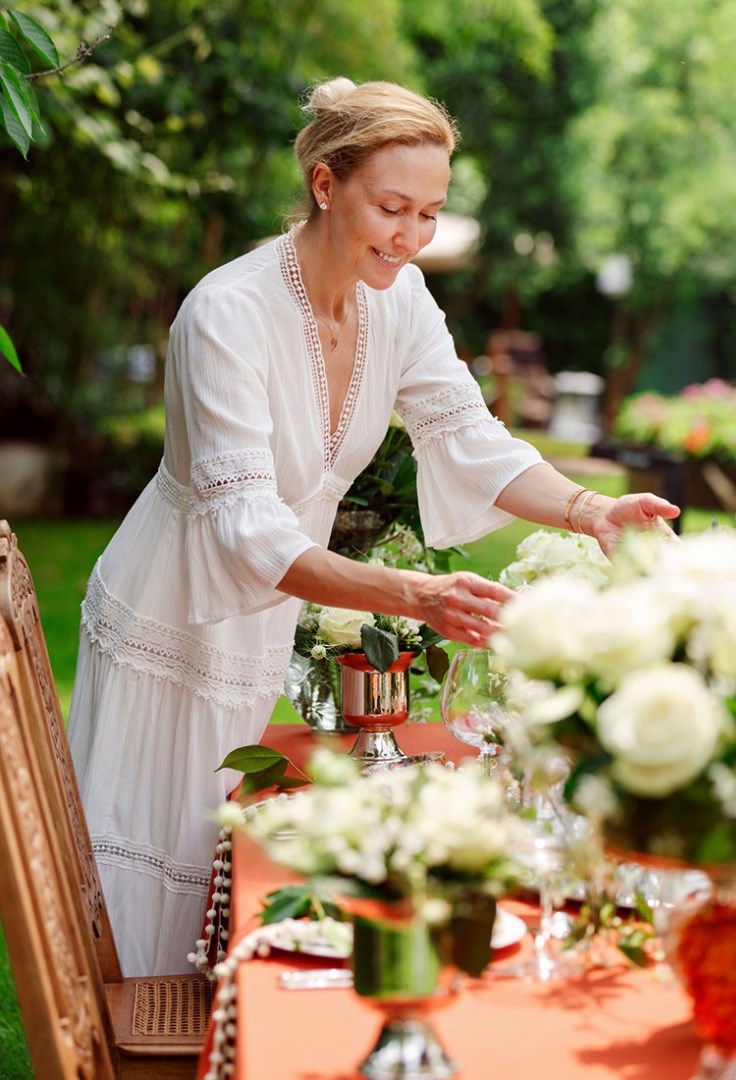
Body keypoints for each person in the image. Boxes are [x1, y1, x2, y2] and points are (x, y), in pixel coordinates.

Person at [67, 77, 679, 977]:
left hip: (260, 619)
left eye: (429, 214)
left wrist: (593, 512)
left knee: (215, 870)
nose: (411, 237)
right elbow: (248, 535)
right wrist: (417, 595)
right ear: (324, 183)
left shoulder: (399, 299)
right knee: (149, 886)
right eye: (392, 208)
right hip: (170, 615)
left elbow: (467, 435)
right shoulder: (225, 315)